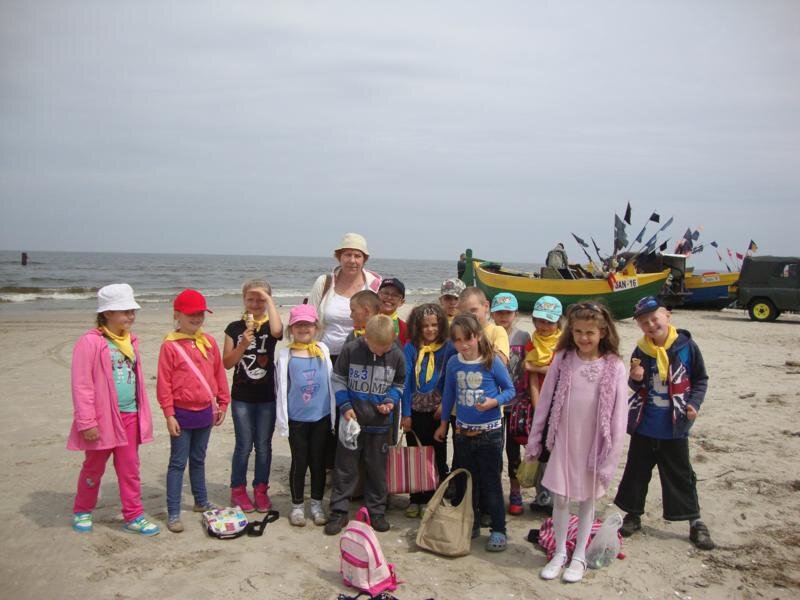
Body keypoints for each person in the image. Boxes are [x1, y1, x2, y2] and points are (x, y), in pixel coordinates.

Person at [524, 301, 628, 583]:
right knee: (560, 498)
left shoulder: (614, 366)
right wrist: (535, 440)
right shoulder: (563, 359)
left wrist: (610, 458)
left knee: (586, 500)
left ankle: (579, 555)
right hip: (564, 440)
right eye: (578, 331)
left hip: (593, 445)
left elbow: (619, 417)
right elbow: (546, 401)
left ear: (603, 332)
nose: (584, 337)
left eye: (590, 333)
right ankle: (559, 551)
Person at [614, 295, 714, 550]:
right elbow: (635, 384)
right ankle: (633, 515)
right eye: (643, 322)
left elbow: (700, 379)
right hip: (644, 426)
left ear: (667, 315)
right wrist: (635, 378)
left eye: (654, 318)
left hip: (674, 427)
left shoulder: (686, 347)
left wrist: (694, 404)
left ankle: (695, 521)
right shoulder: (641, 350)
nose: (650, 325)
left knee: (680, 475)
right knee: (636, 472)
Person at [68, 284, 160, 536]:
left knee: (130, 469)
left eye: (132, 311)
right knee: (93, 467)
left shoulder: (130, 340)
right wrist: (87, 422)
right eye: (125, 311)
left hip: (130, 415)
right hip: (102, 419)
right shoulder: (90, 342)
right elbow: (82, 385)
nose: (131, 316)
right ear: (107, 313)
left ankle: (134, 514)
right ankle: (82, 510)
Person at [434, 314, 515, 552]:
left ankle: (499, 529)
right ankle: (472, 523)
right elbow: (449, 395)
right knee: (466, 482)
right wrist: (443, 424)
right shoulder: (453, 362)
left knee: (491, 483)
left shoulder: (491, 361)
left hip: (490, 434)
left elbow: (510, 390)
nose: (463, 345)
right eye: (458, 340)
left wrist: (493, 402)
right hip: (462, 433)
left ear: (478, 336)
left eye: (467, 339)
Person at [324, 315, 406, 536]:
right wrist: (345, 406)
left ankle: (376, 511)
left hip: (380, 425)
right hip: (352, 423)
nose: (381, 352)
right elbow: (338, 379)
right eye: (376, 347)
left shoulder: (396, 354)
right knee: (345, 468)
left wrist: (390, 401)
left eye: (385, 348)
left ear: (393, 338)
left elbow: (399, 383)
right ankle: (339, 511)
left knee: (377, 470)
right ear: (366, 337)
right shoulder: (351, 350)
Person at [157, 289, 230, 533]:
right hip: (181, 412)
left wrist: (223, 402)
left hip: (205, 411)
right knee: (178, 463)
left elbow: (219, 373)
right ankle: (173, 512)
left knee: (198, 458)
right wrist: (169, 414)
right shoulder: (170, 346)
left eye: (200, 313)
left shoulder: (209, 342)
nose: (197, 318)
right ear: (177, 315)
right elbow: (164, 383)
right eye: (191, 314)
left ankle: (201, 500)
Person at [222, 279, 283, 513]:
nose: (255, 304)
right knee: (244, 445)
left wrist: (269, 300)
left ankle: (260, 489)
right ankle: (238, 489)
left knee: (264, 446)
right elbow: (227, 363)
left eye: (261, 299)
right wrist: (242, 345)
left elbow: (278, 331)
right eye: (250, 299)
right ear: (243, 300)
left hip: (267, 397)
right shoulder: (234, 328)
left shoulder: (270, 325)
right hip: (242, 397)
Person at [275, 304, 336, 527]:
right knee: (300, 462)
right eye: (298, 324)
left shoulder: (323, 350)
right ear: (290, 329)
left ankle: (317, 505)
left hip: (321, 417)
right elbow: (280, 388)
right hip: (297, 420)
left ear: (316, 327)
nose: (303, 328)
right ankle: (297, 506)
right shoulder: (286, 355)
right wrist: (282, 419)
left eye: (308, 324)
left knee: (318, 462)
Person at [400, 303, 453, 518]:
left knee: (437, 454)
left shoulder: (448, 348)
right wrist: (405, 413)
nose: (430, 329)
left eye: (434, 325)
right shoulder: (410, 348)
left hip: (437, 410)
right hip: (415, 409)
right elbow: (405, 382)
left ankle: (434, 497)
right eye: (425, 326)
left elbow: (450, 380)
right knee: (415, 454)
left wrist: (445, 406)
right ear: (417, 326)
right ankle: (416, 498)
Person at [308, 232, 381, 364]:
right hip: (324, 357)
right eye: (347, 254)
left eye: (357, 256)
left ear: (364, 260)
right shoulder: (324, 283)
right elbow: (308, 319)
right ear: (339, 257)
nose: (352, 260)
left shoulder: (375, 285)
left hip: (363, 357)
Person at [490, 292, 531, 516]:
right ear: (492, 314)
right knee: (494, 449)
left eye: (508, 312)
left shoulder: (523, 337)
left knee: (514, 450)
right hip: (494, 402)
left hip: (517, 403)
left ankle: (516, 491)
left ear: (515, 314)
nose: (503, 316)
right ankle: (494, 490)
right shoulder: (488, 334)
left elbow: (529, 365)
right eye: (499, 312)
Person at [523, 295, 563, 512]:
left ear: (558, 322)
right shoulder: (532, 343)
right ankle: (542, 495)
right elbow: (532, 379)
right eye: (540, 321)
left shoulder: (564, 344)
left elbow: (560, 371)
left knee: (557, 451)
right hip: (540, 404)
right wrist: (538, 407)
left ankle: (556, 497)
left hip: (561, 403)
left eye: (549, 322)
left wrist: (534, 367)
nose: (544, 326)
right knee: (540, 450)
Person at [458, 287, 509, 364]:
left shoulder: (497, 331)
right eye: (465, 313)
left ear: (486, 306)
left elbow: (501, 361)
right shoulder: (460, 334)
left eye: (474, 310)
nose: (470, 316)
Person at [377, 277, 408, 346]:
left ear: (402, 302)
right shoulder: (365, 321)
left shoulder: (405, 329)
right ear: (378, 295)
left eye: (395, 295)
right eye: (386, 293)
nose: (389, 297)